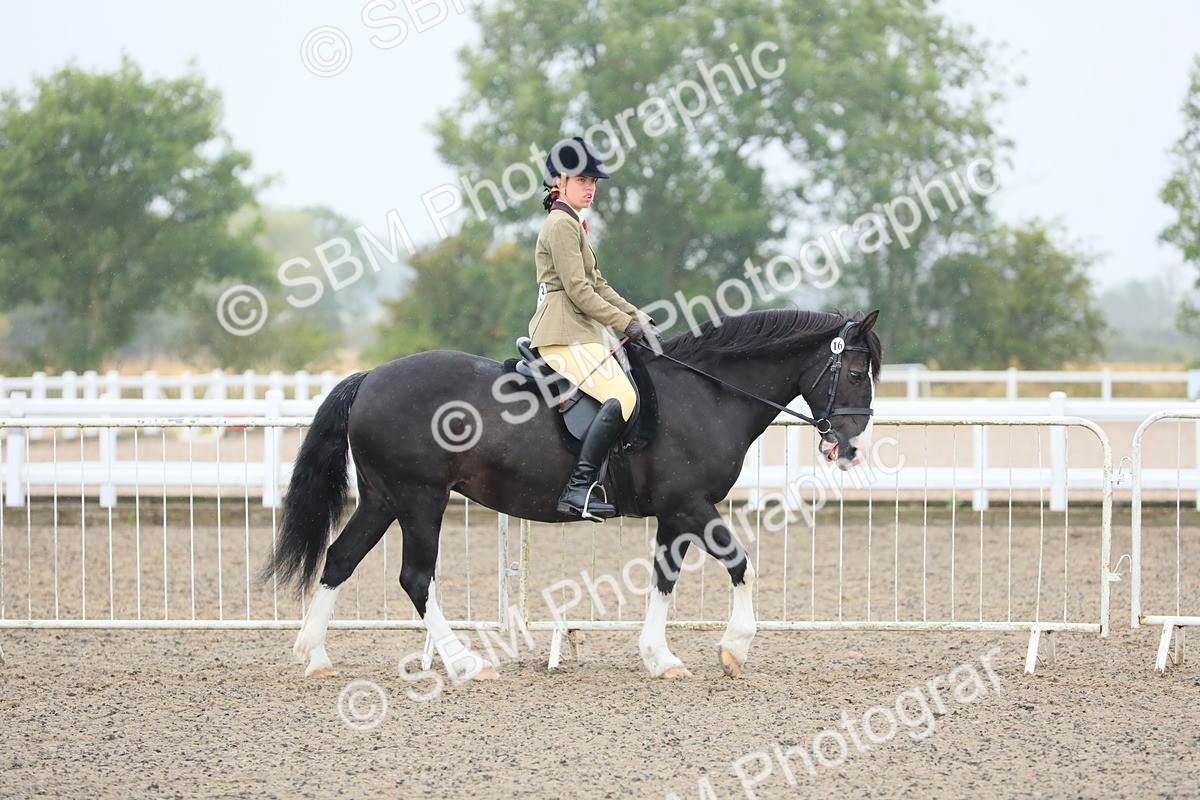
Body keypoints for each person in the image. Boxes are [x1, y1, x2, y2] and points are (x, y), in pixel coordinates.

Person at [529, 136, 657, 521]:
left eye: (593, 182)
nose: (590, 188)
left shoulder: (574, 223)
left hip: (579, 332)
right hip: (562, 334)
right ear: (559, 182)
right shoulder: (561, 225)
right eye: (582, 180)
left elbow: (598, 283)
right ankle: (578, 488)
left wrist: (639, 318)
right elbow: (580, 292)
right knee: (624, 397)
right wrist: (624, 324)